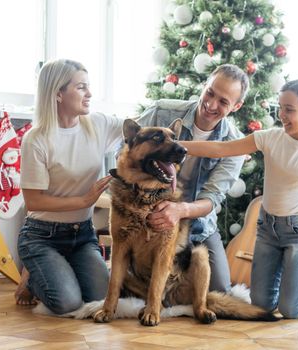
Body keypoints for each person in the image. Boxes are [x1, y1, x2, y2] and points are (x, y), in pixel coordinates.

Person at [180, 78, 298, 318]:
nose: (282, 115)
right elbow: (221, 149)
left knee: (291, 309)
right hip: (268, 231)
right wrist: (178, 146)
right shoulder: (270, 138)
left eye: (290, 109)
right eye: (280, 108)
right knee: (261, 305)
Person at [14, 59, 123, 314]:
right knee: (67, 303)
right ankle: (32, 277)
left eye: (89, 86)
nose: (90, 94)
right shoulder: (36, 139)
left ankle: (57, 270)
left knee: (103, 297)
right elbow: (34, 202)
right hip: (42, 236)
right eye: (81, 87)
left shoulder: (98, 124)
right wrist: (84, 201)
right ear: (58, 94)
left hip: (82, 235)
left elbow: (141, 126)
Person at [135, 64, 248, 293]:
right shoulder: (161, 112)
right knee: (137, 283)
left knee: (218, 292)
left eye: (224, 102)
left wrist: (179, 211)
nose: (211, 104)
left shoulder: (234, 143)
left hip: (197, 226)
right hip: (147, 215)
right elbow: (125, 150)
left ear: (237, 106)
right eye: (210, 93)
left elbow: (211, 199)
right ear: (205, 85)